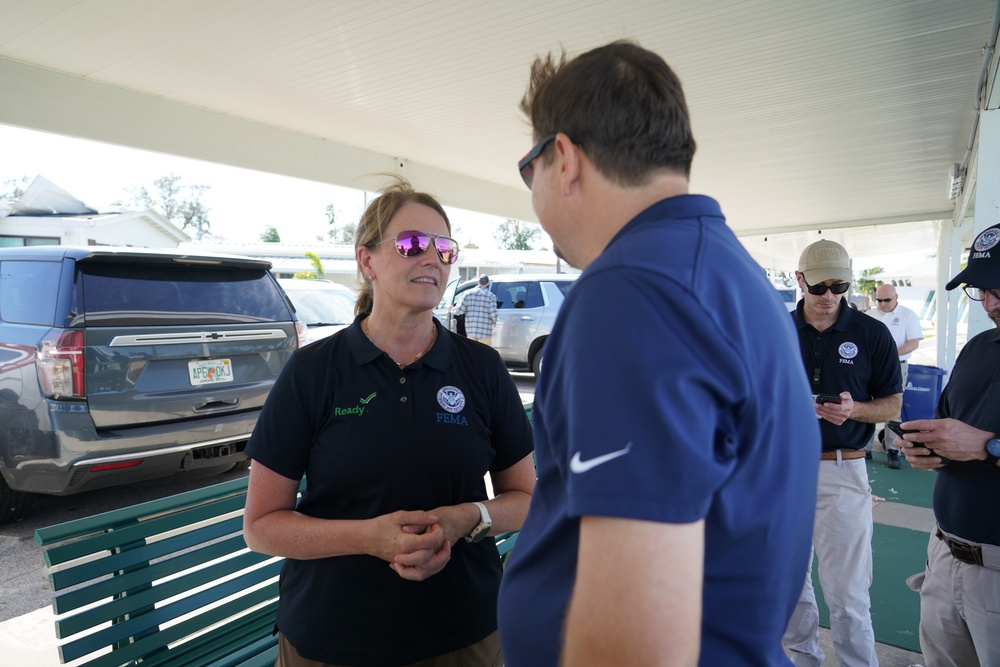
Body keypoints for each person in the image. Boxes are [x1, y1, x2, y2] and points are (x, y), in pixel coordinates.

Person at [497, 40, 820, 667]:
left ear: (562, 158)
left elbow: (631, 647)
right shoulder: (722, 270)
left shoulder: (632, 290)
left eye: (526, 168)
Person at [242, 179, 536, 667]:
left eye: (445, 249)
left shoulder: (482, 369)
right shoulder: (314, 370)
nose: (432, 259)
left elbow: (528, 499)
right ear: (367, 260)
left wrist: (469, 518)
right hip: (330, 639)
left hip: (463, 634)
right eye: (412, 244)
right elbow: (262, 526)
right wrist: (367, 538)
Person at [782, 239, 903, 667]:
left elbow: (892, 404)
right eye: (818, 287)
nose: (829, 295)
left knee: (849, 594)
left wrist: (857, 410)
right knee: (789, 589)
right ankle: (803, 661)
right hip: (784, 473)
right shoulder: (775, 330)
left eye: (840, 285)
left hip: (843, 468)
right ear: (800, 281)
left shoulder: (872, 333)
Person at [897, 224, 1000, 667]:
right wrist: (929, 450)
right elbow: (947, 425)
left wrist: (988, 447)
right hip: (944, 554)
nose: (991, 303)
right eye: (982, 290)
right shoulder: (978, 347)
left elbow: (980, 443)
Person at [866, 283, 924, 468]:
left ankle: (892, 449)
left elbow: (914, 342)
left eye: (887, 300)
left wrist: (890, 355)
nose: (882, 304)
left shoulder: (908, 315)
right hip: (870, 366)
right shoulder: (870, 315)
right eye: (879, 300)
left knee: (893, 405)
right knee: (866, 403)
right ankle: (864, 447)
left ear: (896, 297)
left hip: (897, 365)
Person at [452, 274, 497, 345]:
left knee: (473, 354)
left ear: (478, 282)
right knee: (485, 354)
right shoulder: (491, 296)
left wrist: (451, 309)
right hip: (485, 332)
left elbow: (459, 310)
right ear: (487, 284)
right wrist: (494, 322)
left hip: (471, 332)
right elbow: (493, 314)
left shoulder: (467, 294)